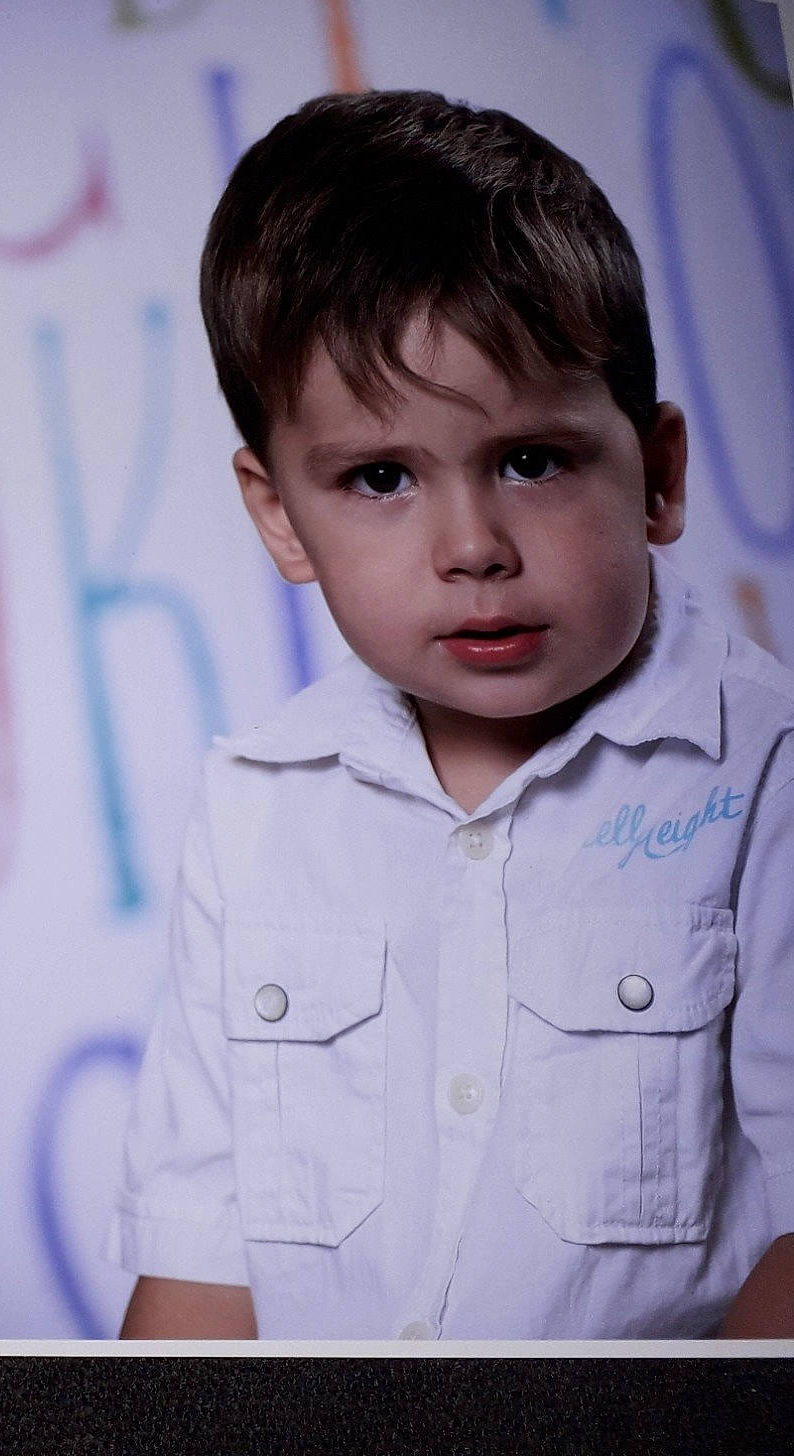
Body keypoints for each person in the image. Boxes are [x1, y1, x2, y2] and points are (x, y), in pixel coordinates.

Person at [115, 89, 794, 1340]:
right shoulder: (256, 803)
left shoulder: (764, 778)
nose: (472, 548)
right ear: (277, 515)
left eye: (531, 461)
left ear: (656, 474)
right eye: (379, 478)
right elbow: (199, 1264)